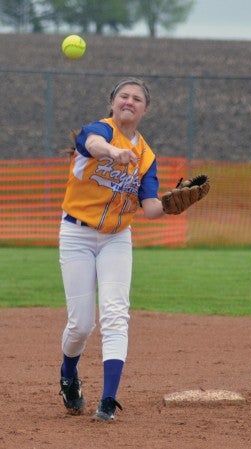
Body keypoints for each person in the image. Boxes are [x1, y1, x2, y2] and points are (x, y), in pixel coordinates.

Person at [58, 77, 169, 422]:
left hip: (117, 238)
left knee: (116, 313)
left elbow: (149, 207)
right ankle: (68, 374)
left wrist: (173, 204)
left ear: (144, 110)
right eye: (124, 95)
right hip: (77, 234)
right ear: (112, 101)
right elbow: (91, 144)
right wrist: (113, 151)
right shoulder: (99, 130)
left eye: (137, 98)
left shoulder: (146, 157)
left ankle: (108, 401)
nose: (129, 101)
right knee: (80, 325)